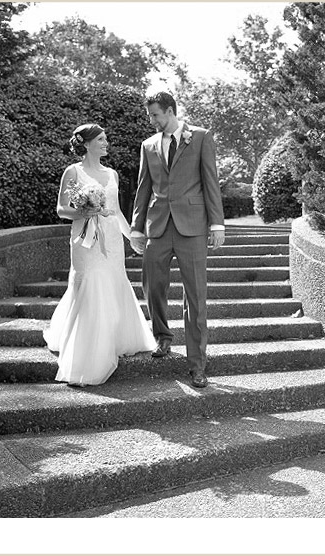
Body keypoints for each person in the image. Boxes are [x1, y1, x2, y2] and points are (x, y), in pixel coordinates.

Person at [44, 124, 157, 386]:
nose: (106, 143)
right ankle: (87, 351)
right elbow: (62, 209)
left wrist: (133, 237)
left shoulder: (112, 174)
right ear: (87, 144)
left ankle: (112, 338)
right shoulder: (73, 172)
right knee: (89, 283)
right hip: (84, 239)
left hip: (111, 242)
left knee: (112, 281)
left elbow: (116, 212)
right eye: (101, 139)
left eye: (107, 138)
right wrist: (85, 211)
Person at [130, 92, 225, 388]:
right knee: (152, 284)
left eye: (156, 115)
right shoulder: (148, 145)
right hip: (158, 226)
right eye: (150, 117)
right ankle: (162, 338)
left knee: (195, 296)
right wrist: (136, 228)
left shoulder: (200, 137)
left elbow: (210, 181)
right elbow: (143, 188)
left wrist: (217, 224)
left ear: (170, 111)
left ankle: (198, 365)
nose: (152, 121)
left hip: (193, 227)